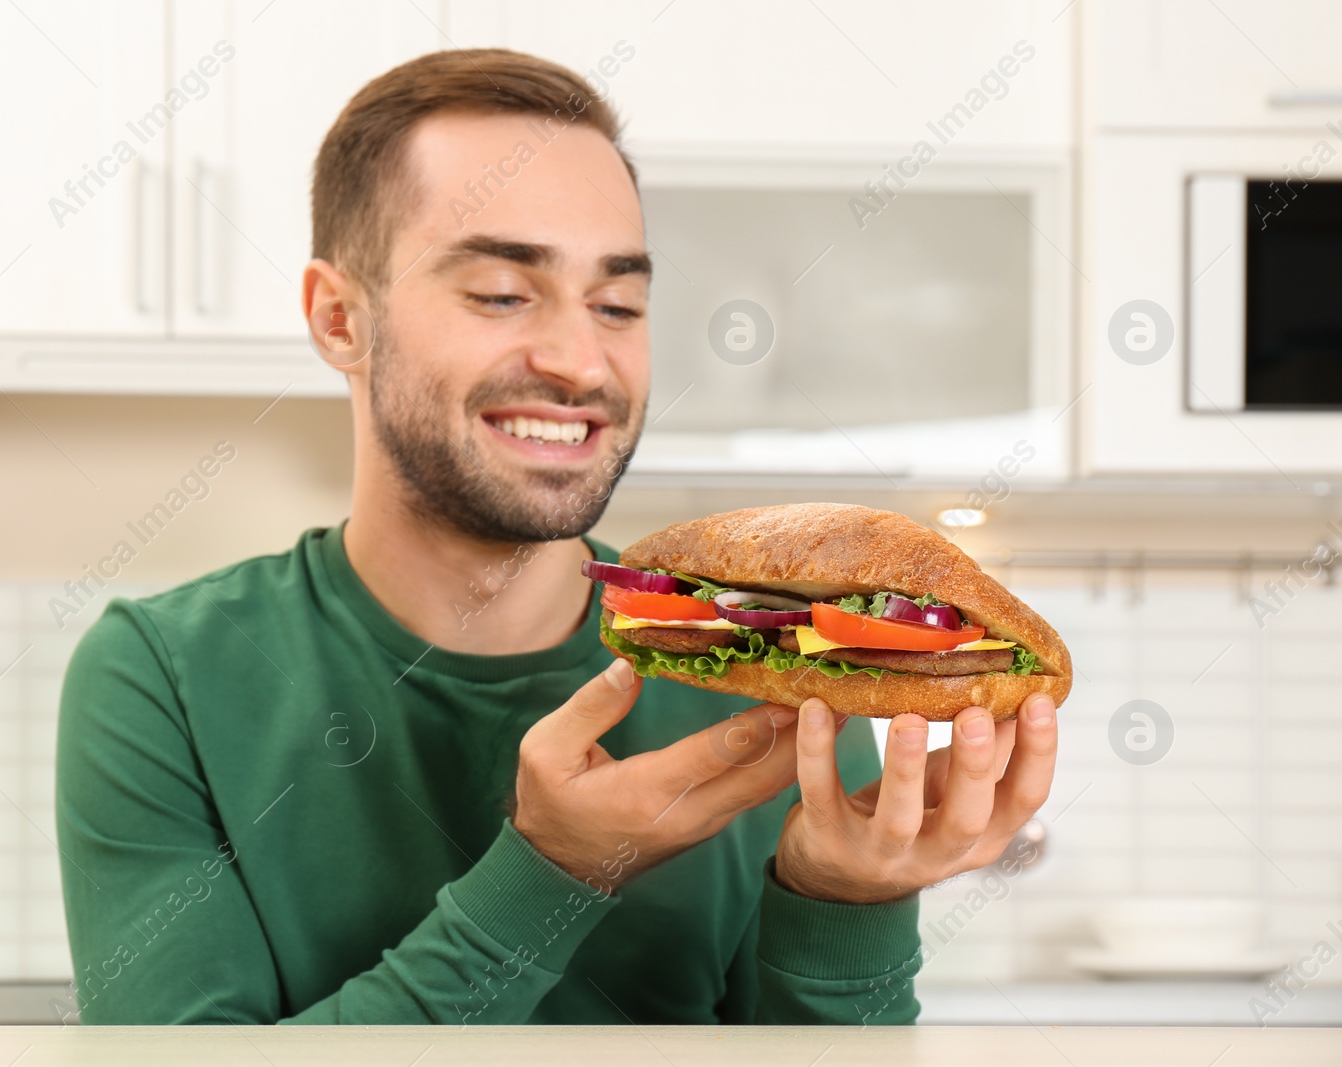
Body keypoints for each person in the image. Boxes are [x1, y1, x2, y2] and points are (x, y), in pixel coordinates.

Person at [54, 48, 1058, 1026]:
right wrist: (550, 872)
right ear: (338, 317)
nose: (582, 360)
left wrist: (842, 899)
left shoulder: (790, 671)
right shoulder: (164, 674)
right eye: (501, 292)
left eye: (617, 303)